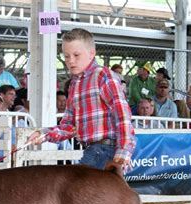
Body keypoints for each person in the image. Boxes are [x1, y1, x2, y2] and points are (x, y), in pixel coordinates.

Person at [28, 28, 135, 170]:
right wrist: (44, 134)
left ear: (92, 54)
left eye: (76, 55)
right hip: (94, 151)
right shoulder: (74, 83)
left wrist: (123, 152)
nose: (70, 61)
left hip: (106, 150)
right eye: (66, 56)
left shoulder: (103, 76)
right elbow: (70, 125)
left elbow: (122, 115)